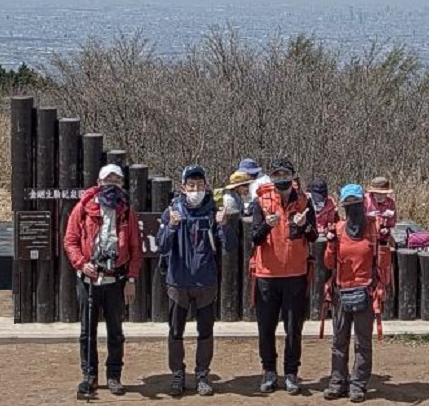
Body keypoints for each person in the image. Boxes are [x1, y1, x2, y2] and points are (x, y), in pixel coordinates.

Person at [64, 164, 142, 400]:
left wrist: (131, 278)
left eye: (117, 181)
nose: (112, 185)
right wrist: (80, 263)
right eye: (108, 180)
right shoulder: (83, 208)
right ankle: (89, 375)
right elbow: (70, 240)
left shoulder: (127, 211)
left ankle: (114, 375)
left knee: (115, 331)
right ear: (99, 183)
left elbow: (135, 249)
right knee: (87, 331)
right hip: (88, 280)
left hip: (115, 281)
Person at [157, 165, 236, 397]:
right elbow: (161, 246)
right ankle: (177, 375)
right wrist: (171, 226)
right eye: (191, 185)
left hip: (206, 283)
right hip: (178, 283)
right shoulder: (172, 211)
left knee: (205, 332)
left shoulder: (213, 212)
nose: (196, 189)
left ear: (206, 187)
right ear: (183, 187)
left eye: (200, 185)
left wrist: (224, 225)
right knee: (175, 331)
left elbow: (230, 247)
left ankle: (202, 375)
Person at [250, 158, 317, 394]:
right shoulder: (260, 200)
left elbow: (313, 236)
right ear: (271, 177)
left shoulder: (305, 201)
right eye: (276, 174)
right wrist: (267, 225)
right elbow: (254, 238)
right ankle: (269, 371)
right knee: (266, 327)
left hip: (295, 275)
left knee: (293, 328)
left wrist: (304, 225)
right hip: (267, 274)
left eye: (285, 173)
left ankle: (291, 373)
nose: (281, 178)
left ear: (292, 175)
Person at [323, 184, 378, 403]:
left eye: (356, 204)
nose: (353, 208)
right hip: (341, 291)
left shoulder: (373, 229)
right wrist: (329, 244)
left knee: (362, 342)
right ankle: (337, 382)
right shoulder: (337, 229)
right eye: (348, 205)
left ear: (363, 205)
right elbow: (329, 262)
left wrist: (380, 288)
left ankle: (358, 385)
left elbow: (382, 261)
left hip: (365, 290)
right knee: (339, 341)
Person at [364, 176, 397, 242]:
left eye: (384, 193)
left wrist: (387, 228)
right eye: (378, 193)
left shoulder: (390, 202)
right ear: (373, 192)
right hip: (366, 236)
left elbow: (392, 220)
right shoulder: (365, 200)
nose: (381, 196)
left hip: (383, 236)